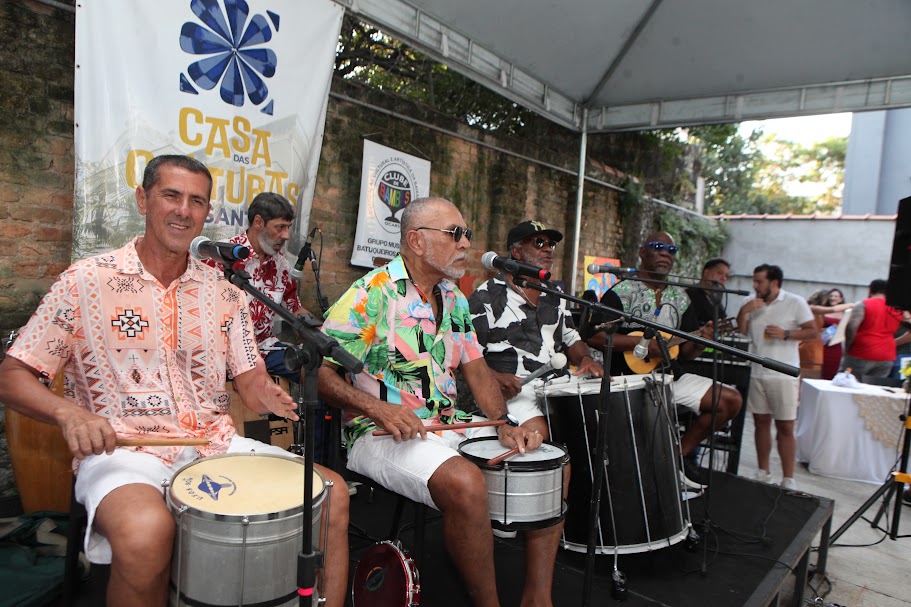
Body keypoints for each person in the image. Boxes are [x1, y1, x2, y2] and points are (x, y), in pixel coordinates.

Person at [0, 155, 349, 607]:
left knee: (333, 494)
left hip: (213, 443)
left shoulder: (226, 292)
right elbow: (13, 375)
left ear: (207, 213)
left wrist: (269, 395)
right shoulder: (85, 281)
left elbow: (251, 382)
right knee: (147, 532)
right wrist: (69, 414)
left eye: (197, 201)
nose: (184, 210)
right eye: (171, 195)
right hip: (123, 450)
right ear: (142, 200)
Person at [318, 197, 558, 607]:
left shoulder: (454, 298)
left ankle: (538, 597)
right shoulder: (371, 293)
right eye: (455, 233)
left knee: (549, 465)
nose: (465, 243)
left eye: (466, 233)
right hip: (378, 431)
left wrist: (502, 421)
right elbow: (321, 373)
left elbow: (476, 369)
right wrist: (378, 408)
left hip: (447, 421)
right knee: (465, 481)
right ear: (416, 241)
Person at [586, 232, 742, 488]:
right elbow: (594, 336)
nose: (665, 253)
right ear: (642, 252)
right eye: (658, 247)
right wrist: (642, 344)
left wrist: (702, 340)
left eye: (671, 249)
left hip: (669, 379)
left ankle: (677, 456)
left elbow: (687, 353)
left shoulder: (681, 298)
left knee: (730, 401)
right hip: (626, 383)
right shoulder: (621, 292)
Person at [468, 220, 604, 441]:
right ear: (516, 251)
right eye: (539, 242)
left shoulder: (554, 293)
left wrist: (586, 358)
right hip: (515, 390)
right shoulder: (486, 297)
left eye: (551, 244)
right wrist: (496, 378)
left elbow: (571, 337)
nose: (548, 249)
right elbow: (467, 356)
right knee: (538, 435)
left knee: (597, 416)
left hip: (557, 384)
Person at [202, 191, 305, 383]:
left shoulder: (282, 266)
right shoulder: (220, 257)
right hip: (222, 353)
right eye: (280, 227)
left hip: (265, 348)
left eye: (288, 228)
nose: (286, 236)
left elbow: (295, 309)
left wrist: (325, 334)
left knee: (314, 371)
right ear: (258, 222)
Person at [736, 264, 817, 490]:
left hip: (784, 373)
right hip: (756, 371)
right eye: (754, 281)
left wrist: (786, 333)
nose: (755, 286)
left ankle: (788, 478)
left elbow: (812, 331)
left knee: (785, 426)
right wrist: (744, 311)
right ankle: (763, 471)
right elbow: (741, 330)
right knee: (760, 422)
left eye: (759, 281)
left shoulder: (795, 302)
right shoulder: (751, 302)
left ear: (774, 283)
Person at [841, 279, 911, 379]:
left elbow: (851, 327)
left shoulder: (863, 304)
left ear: (870, 290)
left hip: (861, 352)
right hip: (886, 355)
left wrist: (847, 347)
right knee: (875, 386)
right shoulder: (897, 309)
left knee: (847, 382)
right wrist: (893, 343)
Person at [812, 288, 852, 380]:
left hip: (835, 345)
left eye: (836, 296)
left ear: (841, 299)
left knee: (831, 371)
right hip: (821, 344)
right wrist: (825, 330)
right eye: (831, 296)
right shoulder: (823, 310)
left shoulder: (845, 313)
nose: (833, 298)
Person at [682, 258, 731, 327]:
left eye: (726, 276)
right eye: (720, 273)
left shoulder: (715, 298)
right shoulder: (689, 294)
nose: (724, 278)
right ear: (706, 272)